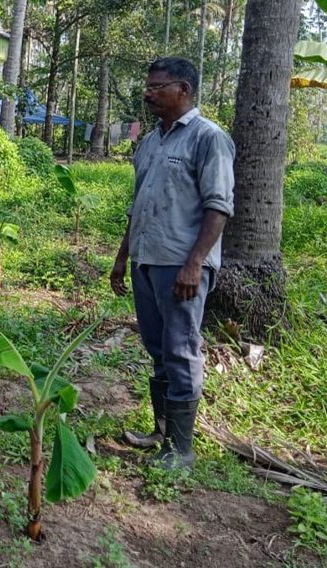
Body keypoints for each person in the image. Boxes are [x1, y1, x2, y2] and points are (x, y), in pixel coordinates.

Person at [110, 57, 235, 470]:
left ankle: (181, 450)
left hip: (180, 265)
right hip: (146, 259)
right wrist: (122, 256)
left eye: (157, 86)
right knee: (158, 348)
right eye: (147, 85)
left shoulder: (208, 138)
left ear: (183, 89)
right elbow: (138, 203)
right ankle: (162, 432)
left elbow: (219, 207)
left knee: (181, 350)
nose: (148, 92)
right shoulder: (150, 141)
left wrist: (194, 264)